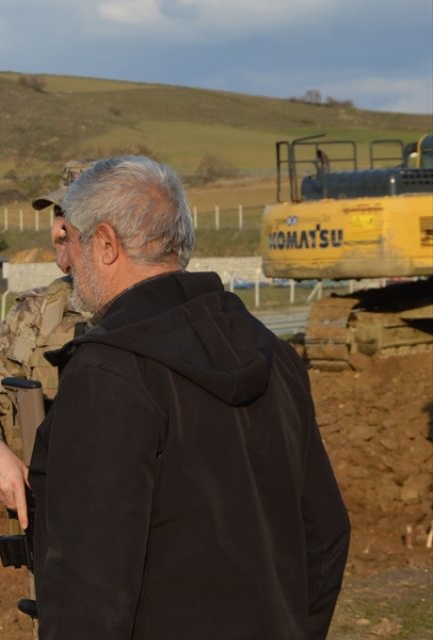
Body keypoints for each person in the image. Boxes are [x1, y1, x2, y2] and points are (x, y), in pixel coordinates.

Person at [29, 156, 351, 639]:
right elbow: (325, 535)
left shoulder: (110, 371)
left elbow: (88, 591)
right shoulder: (274, 353)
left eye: (71, 242)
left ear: (106, 244)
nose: (68, 262)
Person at [0, 161, 91, 527]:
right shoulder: (34, 315)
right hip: (50, 534)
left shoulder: (149, 309)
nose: (59, 229)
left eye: (73, 213)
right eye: (58, 214)